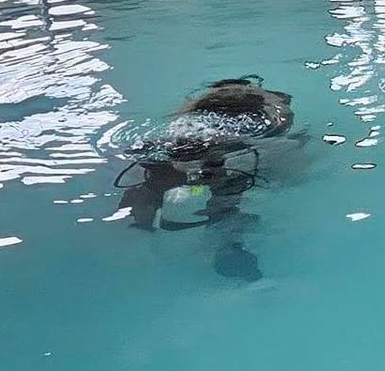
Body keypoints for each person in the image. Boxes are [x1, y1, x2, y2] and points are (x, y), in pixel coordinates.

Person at [116, 77, 295, 281]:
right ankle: (228, 244)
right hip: (226, 144)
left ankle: (141, 223)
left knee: (167, 174)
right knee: (225, 185)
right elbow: (284, 115)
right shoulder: (261, 100)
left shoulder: (195, 106)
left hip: (189, 139)